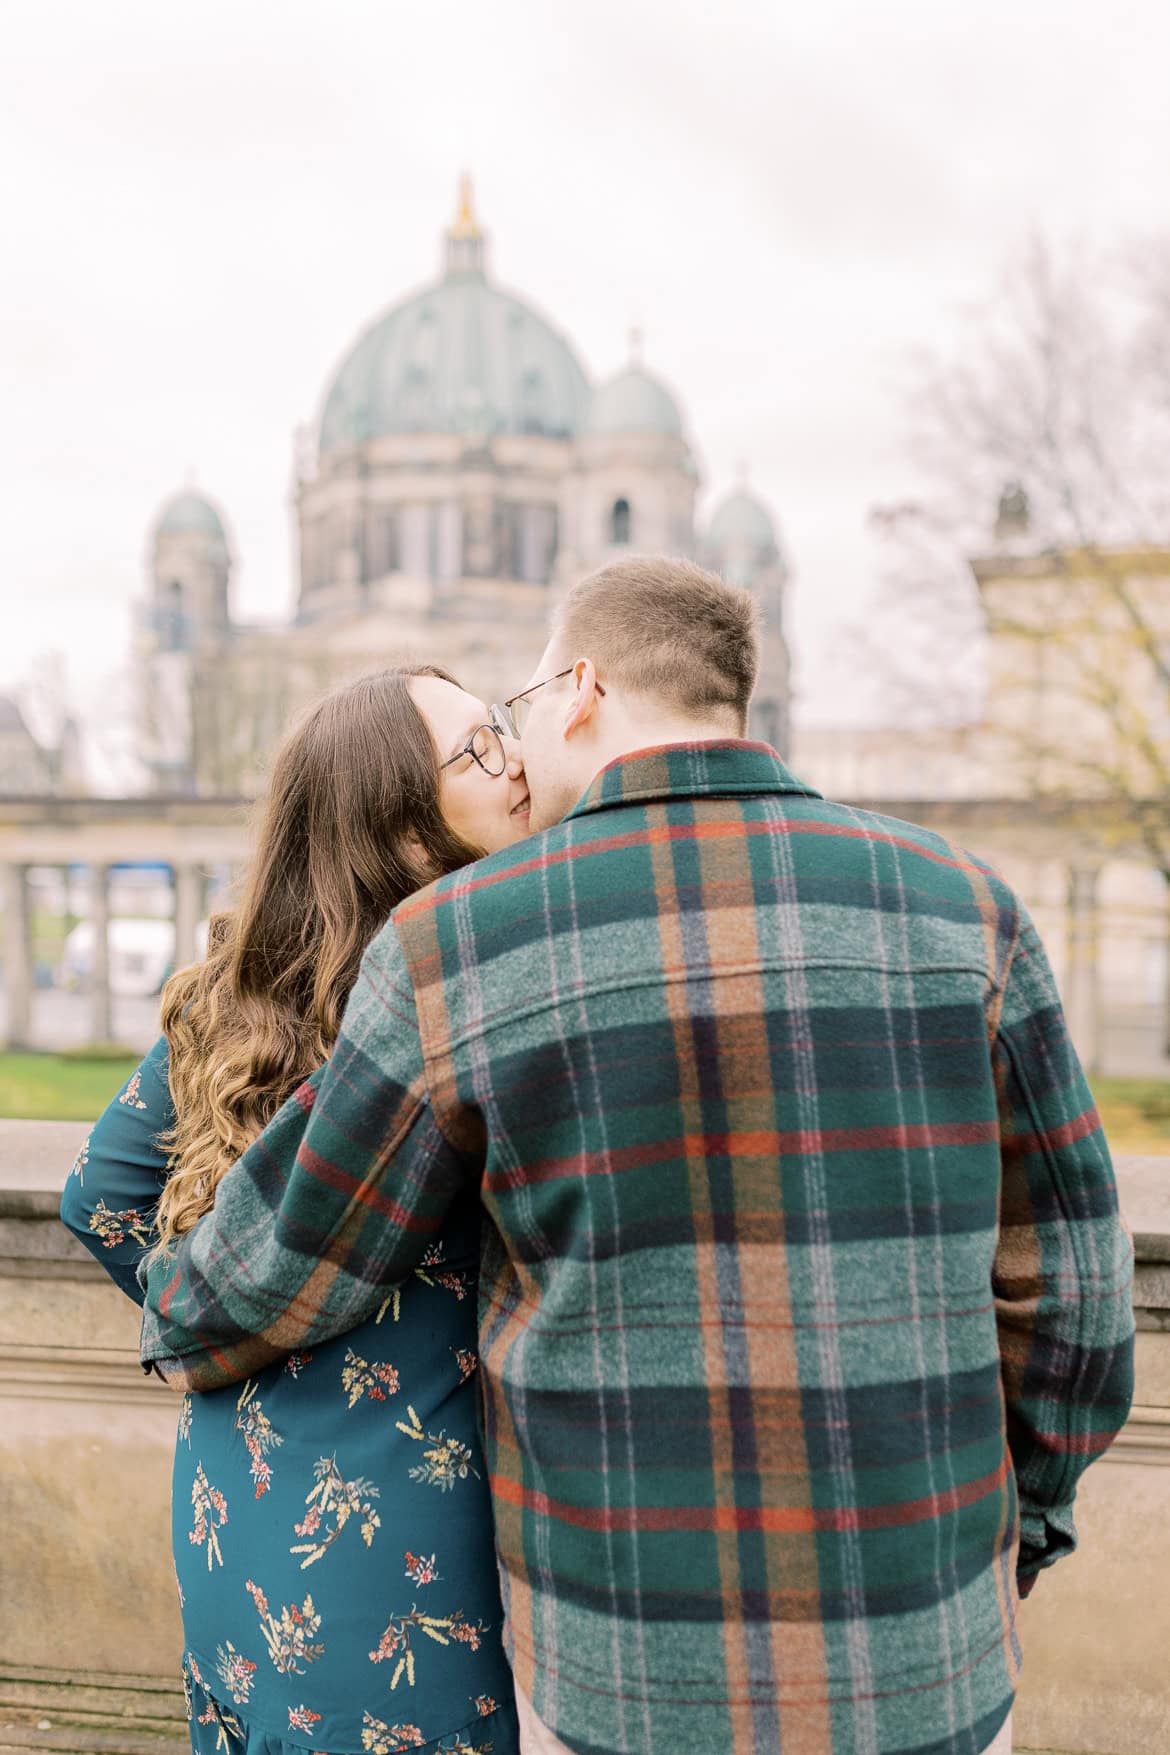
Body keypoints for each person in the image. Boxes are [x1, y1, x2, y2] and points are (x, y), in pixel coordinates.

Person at [140, 557, 1136, 1755]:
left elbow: (285, 1260)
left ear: (579, 690)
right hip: (929, 1647)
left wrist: (172, 1307)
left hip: (623, 1670)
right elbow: (1075, 1298)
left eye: (515, 716)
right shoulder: (967, 908)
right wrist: (1013, 1532)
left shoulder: (457, 946)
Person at [61, 667, 533, 1755]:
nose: (513, 757)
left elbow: (105, 1194)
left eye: (500, 727)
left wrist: (231, 1325)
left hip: (240, 1496)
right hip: (409, 1527)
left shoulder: (247, 983)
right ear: (397, 823)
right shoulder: (459, 987)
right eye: (474, 751)